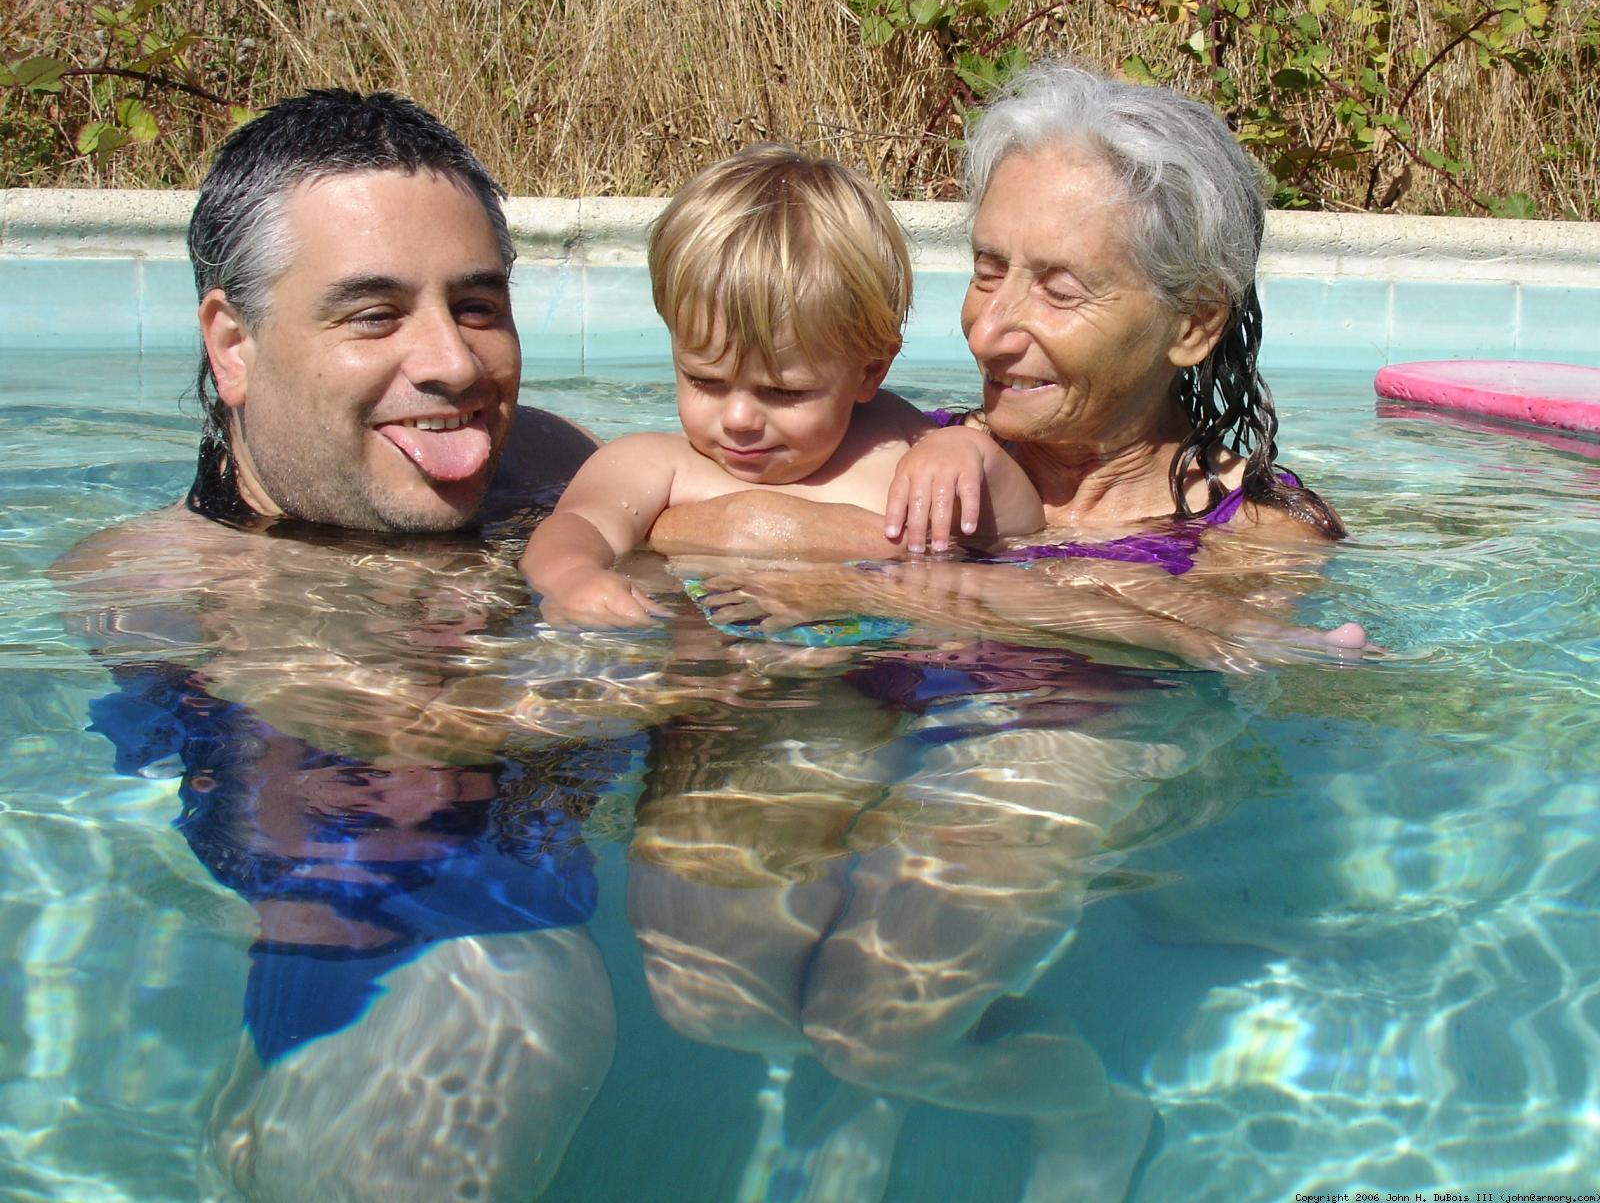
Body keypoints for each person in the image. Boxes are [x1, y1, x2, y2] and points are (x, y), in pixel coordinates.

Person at [52, 89, 614, 1203]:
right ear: (234, 344)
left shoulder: (555, 479)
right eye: (374, 312)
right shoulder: (153, 589)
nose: (451, 359)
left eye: (478, 304)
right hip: (335, 958)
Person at [656, 62, 1368, 657]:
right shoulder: (892, 445)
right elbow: (666, 518)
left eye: (1060, 290)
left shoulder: (1263, 528)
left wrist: (860, 576)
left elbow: (1223, 660)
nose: (986, 331)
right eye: (987, 270)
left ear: (1193, 322)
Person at [521, 142, 1043, 629]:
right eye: (705, 380)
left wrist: (973, 455)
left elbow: (1022, 533)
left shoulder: (896, 444)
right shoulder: (656, 466)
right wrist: (572, 577)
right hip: (711, 697)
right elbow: (577, 528)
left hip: (869, 691)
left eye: (783, 392)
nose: (739, 419)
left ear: (869, 371)